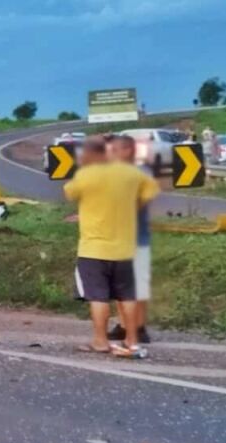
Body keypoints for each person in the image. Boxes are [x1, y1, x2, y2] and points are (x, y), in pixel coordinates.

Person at [64, 138, 159, 358]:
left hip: (94, 249)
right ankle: (132, 340)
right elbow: (150, 190)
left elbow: (69, 192)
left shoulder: (87, 174)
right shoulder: (132, 174)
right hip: (125, 248)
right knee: (128, 296)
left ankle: (100, 341)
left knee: (98, 297)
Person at [106, 135, 153, 344]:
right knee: (124, 285)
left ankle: (138, 327)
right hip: (126, 238)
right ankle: (126, 325)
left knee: (133, 285)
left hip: (131, 238)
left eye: (114, 150)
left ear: (126, 151)